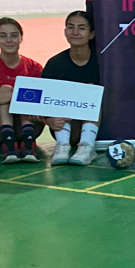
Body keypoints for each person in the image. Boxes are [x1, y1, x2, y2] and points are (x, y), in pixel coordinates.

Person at [0, 18, 45, 164]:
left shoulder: (34, 67)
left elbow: (44, 99)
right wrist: (12, 96)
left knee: (24, 91)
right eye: (3, 35)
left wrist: (32, 106)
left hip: (31, 126)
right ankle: (9, 143)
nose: (9, 40)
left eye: (14, 35)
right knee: (6, 90)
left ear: (21, 38)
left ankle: (28, 142)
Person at [40, 10, 101, 166]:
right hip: (64, 127)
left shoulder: (102, 62)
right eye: (70, 27)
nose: (75, 32)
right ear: (65, 31)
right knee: (61, 92)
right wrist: (48, 119)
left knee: (90, 90)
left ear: (91, 34)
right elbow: (44, 99)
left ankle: (87, 146)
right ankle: (62, 146)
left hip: (97, 125)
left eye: (81, 28)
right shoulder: (54, 64)